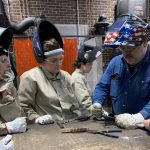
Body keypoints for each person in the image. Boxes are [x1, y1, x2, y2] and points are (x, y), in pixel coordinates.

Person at [91, 14, 150, 129]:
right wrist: (97, 102)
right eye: (122, 48)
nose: (125, 53)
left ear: (144, 43)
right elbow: (103, 86)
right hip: (118, 127)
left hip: (143, 130)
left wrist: (139, 117)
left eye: (128, 47)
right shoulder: (115, 62)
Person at [17, 20, 81, 124]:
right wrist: (36, 118)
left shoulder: (66, 77)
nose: (59, 63)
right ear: (41, 61)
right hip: (48, 130)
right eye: (53, 60)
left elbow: (75, 104)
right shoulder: (30, 78)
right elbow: (24, 105)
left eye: (60, 59)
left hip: (72, 125)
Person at [0, 27, 27, 135]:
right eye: (3, 61)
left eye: (7, 59)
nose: (9, 64)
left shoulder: (6, 82)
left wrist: (35, 118)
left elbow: (19, 114)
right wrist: (6, 127)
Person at [72, 45, 101, 116]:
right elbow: (84, 102)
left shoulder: (81, 76)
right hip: (82, 116)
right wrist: (96, 113)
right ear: (82, 64)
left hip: (85, 115)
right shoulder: (77, 78)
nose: (91, 66)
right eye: (89, 64)